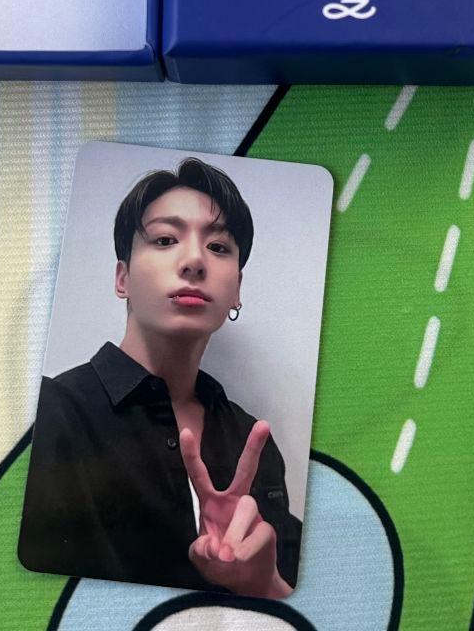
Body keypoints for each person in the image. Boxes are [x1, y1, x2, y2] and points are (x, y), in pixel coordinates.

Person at [18, 157, 302, 598]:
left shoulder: (252, 439)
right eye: (166, 239)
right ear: (123, 278)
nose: (194, 260)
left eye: (219, 247)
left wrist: (263, 583)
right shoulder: (53, 413)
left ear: (237, 289)